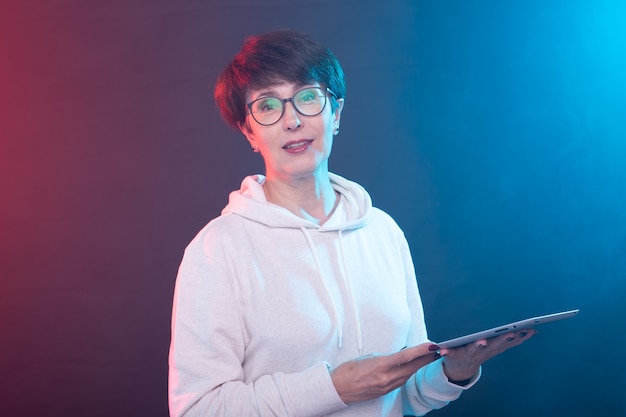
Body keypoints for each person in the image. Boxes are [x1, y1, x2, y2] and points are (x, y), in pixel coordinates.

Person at [168, 29, 535, 417]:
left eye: (308, 97)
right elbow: (197, 409)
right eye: (268, 106)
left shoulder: (382, 232)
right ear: (249, 132)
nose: (292, 120)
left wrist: (453, 372)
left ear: (336, 113)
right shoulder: (217, 250)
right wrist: (334, 388)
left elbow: (406, 395)